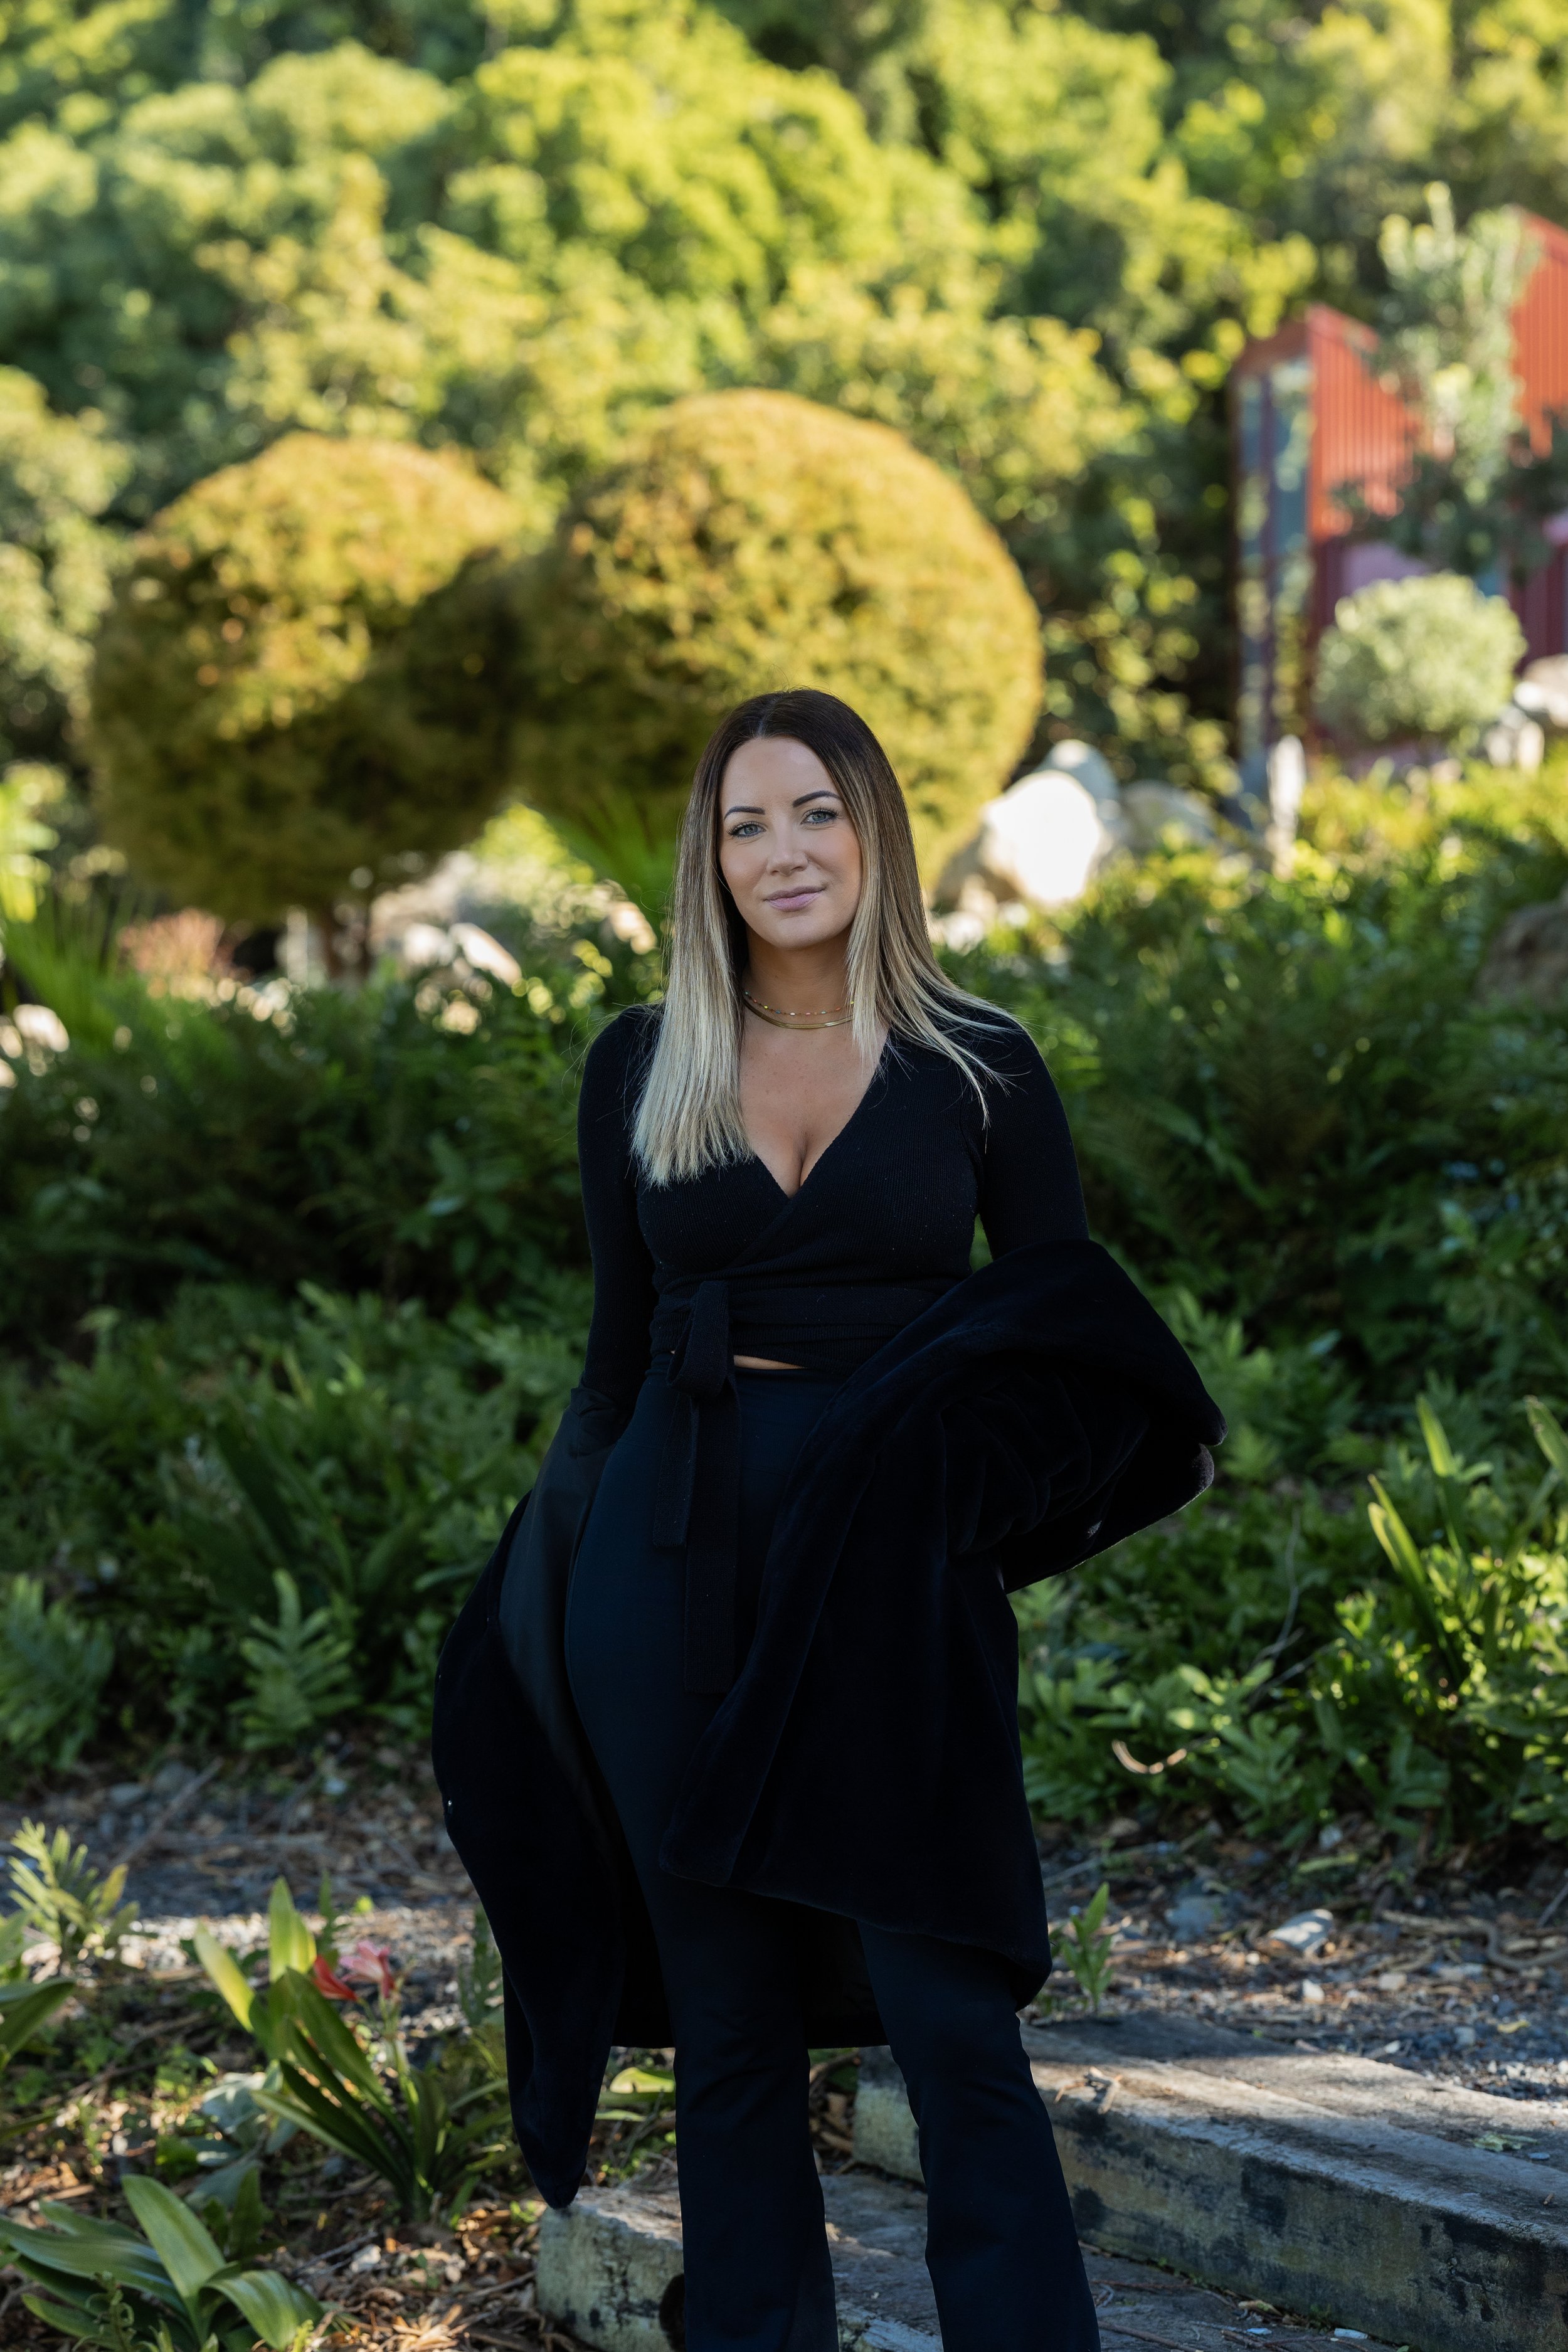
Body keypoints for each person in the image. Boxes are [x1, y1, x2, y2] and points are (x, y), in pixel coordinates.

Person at [432, 690, 1224, 2352]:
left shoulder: (977, 1064)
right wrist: (524, 1618)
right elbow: (605, 1374)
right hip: (659, 1565)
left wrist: (954, 1523)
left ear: (874, 832)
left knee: (945, 2012)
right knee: (724, 2024)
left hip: (885, 1585)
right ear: (706, 862)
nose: (781, 852)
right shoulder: (641, 1068)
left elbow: (1063, 1355)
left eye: (813, 813)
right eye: (744, 823)